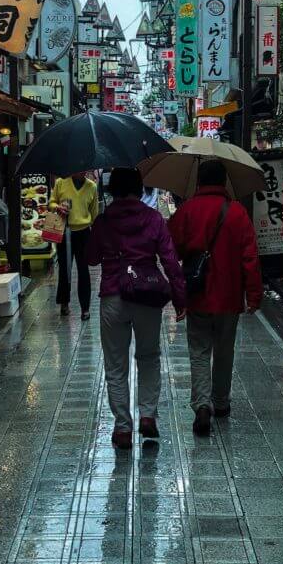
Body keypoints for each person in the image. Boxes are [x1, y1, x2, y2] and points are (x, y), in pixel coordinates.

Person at [87, 167, 186, 450]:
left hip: (113, 297)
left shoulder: (104, 221)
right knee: (149, 356)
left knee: (116, 365)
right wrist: (180, 299)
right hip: (146, 295)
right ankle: (147, 415)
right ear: (140, 189)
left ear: (112, 191)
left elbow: (92, 258)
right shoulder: (153, 218)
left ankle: (122, 428)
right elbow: (170, 261)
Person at [169, 159, 261, 436]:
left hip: (197, 295)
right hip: (229, 295)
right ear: (223, 182)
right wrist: (254, 295)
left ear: (198, 182)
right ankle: (220, 402)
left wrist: (179, 292)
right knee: (224, 350)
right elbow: (250, 257)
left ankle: (201, 405)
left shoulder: (186, 211)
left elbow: (172, 251)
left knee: (198, 351)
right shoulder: (237, 213)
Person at [49, 172, 99, 320]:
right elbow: (51, 202)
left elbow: (94, 213)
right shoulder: (61, 182)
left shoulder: (92, 187)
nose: (82, 171)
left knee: (83, 270)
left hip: (83, 233)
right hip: (63, 231)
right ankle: (64, 303)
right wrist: (57, 207)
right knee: (64, 268)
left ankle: (85, 308)